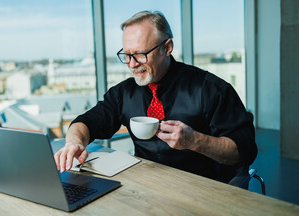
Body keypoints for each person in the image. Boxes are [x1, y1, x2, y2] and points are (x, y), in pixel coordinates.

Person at [54, 10, 257, 182]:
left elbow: (245, 149)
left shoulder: (211, 89)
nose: (132, 64)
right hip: (146, 186)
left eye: (140, 54)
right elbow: (86, 122)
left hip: (202, 189)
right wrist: (74, 142)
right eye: (126, 55)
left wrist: (196, 141)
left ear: (167, 48)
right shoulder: (123, 92)